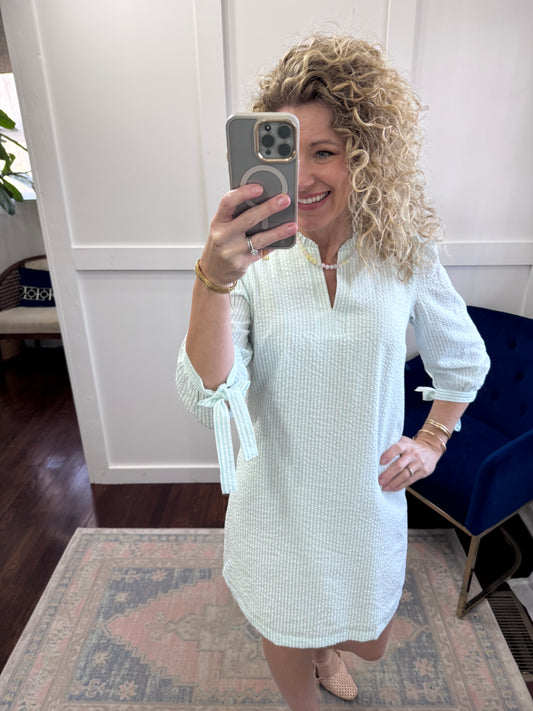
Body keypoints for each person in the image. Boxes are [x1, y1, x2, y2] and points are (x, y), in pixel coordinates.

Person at [176, 34, 490, 710]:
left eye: (324, 151)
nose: (303, 177)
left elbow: (463, 356)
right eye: (287, 153)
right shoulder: (247, 261)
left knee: (368, 639)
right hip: (277, 500)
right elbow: (211, 398)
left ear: (365, 154)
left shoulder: (402, 252)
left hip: (363, 499)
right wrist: (213, 279)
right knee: (285, 628)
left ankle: (328, 648)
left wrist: (432, 441)